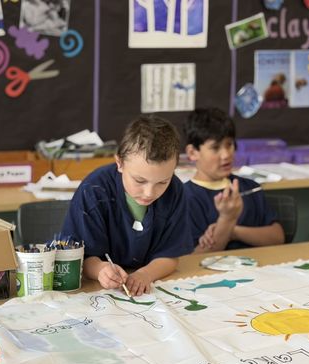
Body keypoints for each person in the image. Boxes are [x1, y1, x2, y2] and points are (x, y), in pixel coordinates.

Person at [62, 115, 193, 296]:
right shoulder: (93, 190)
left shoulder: (176, 191)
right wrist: (101, 269)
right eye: (139, 180)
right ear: (120, 163)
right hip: (97, 290)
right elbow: (78, 257)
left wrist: (145, 274)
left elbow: (170, 255)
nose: (149, 193)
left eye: (163, 182)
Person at [183, 107, 284, 252]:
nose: (226, 155)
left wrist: (233, 231)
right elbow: (194, 258)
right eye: (215, 147)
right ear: (192, 153)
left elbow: (277, 237)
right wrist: (226, 219)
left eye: (229, 144)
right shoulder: (185, 198)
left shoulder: (250, 188)